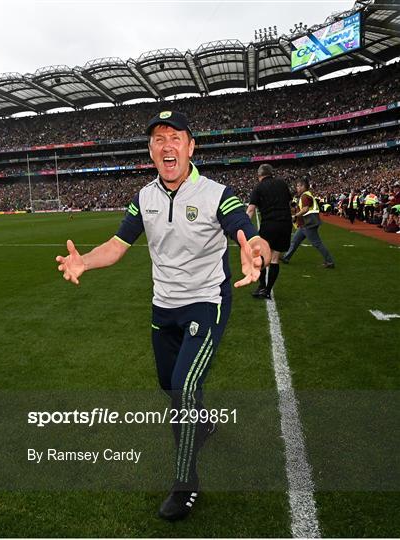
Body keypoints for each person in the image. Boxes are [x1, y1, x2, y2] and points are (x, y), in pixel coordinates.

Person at [55, 111, 271, 521]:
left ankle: (185, 483)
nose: (166, 144)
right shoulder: (143, 198)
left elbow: (240, 224)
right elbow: (119, 244)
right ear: (151, 151)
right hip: (163, 307)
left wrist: (253, 243)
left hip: (206, 302)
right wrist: (85, 262)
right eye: (158, 138)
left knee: (184, 391)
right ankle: (203, 424)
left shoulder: (216, 192)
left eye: (175, 137)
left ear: (191, 147)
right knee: (170, 388)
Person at [246, 164, 292, 299]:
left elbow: (250, 210)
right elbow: (288, 203)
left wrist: (243, 227)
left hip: (269, 224)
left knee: (260, 256)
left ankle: (261, 286)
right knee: (275, 258)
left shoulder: (258, 187)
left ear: (259, 175)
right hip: (285, 224)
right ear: (271, 173)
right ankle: (267, 290)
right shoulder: (282, 184)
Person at [280, 178, 335, 268]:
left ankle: (330, 261)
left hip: (308, 223)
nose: (297, 188)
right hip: (305, 224)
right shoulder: (306, 195)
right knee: (295, 241)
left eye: (298, 186)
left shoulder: (305, 196)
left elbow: (305, 209)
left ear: (303, 186)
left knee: (317, 243)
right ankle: (286, 257)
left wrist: (296, 216)